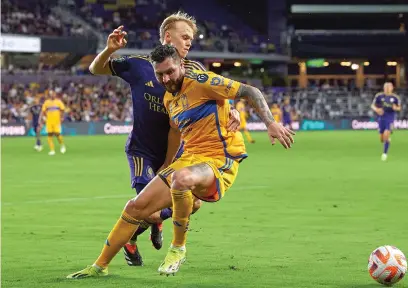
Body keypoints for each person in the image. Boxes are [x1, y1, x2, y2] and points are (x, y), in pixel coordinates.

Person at [66, 44, 295, 279]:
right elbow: (175, 133)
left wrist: (270, 123)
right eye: (160, 74)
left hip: (219, 159)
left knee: (181, 179)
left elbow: (249, 91)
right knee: (134, 207)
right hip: (188, 159)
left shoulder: (202, 81)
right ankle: (100, 266)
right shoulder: (169, 99)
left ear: (181, 66)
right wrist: (166, 165)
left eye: (170, 72)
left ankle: (177, 248)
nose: (165, 78)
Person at [88, 12, 240, 266]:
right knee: (147, 208)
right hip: (142, 151)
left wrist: (232, 108)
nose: (190, 43)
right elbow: (96, 69)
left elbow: (221, 93)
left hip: (178, 153)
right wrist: (108, 50)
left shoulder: (194, 71)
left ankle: (137, 234)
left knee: (193, 206)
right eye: (185, 37)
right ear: (168, 37)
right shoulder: (139, 65)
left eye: (192, 39)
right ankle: (140, 233)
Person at [370, 82, 401, 161]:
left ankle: (384, 153)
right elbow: (372, 105)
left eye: (389, 87)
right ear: (384, 88)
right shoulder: (379, 96)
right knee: (382, 139)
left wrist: (395, 108)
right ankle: (387, 141)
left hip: (390, 119)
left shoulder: (395, 98)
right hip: (381, 119)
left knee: (386, 134)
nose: (387, 88)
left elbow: (399, 108)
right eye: (385, 87)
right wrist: (377, 109)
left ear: (392, 88)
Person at [39, 91, 66, 156]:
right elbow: (43, 111)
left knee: (57, 134)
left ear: (55, 95)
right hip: (49, 121)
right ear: (49, 95)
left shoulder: (58, 102)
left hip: (56, 121)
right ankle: (52, 150)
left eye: (53, 94)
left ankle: (62, 145)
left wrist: (62, 117)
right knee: (49, 134)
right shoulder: (46, 102)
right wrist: (41, 119)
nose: (52, 95)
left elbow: (63, 110)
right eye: (51, 94)